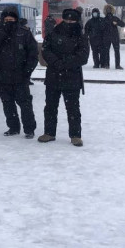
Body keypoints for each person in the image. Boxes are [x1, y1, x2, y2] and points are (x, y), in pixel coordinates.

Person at [39, 8, 90, 145]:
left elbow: (83, 56)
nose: (69, 22)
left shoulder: (81, 36)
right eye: (66, 19)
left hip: (72, 77)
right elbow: (45, 50)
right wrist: (56, 62)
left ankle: (75, 135)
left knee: (73, 108)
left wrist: (66, 63)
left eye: (72, 20)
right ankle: (49, 133)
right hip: (53, 76)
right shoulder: (53, 33)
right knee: (50, 107)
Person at [0, 6, 39, 139]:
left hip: (20, 76)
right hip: (3, 76)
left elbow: (33, 54)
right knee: (8, 104)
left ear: (16, 19)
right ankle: (13, 127)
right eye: (6, 19)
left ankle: (29, 129)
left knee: (25, 104)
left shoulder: (24, 33)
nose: (8, 21)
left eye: (11, 19)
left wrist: (27, 71)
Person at [101, 4, 125, 69]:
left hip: (111, 37)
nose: (108, 11)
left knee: (110, 51)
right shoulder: (107, 19)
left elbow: (122, 24)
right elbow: (101, 28)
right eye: (107, 9)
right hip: (111, 37)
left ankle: (109, 65)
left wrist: (116, 23)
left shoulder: (111, 19)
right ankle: (113, 65)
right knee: (110, 51)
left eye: (109, 9)